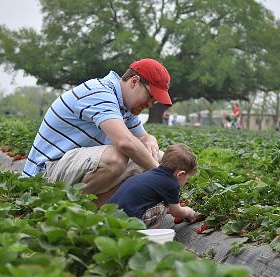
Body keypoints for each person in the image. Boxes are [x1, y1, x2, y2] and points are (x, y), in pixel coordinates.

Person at [22, 58, 172, 204]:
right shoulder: (99, 92)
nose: (151, 104)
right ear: (134, 81)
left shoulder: (125, 107)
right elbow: (125, 142)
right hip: (42, 177)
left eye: (154, 101)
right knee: (117, 158)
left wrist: (149, 139)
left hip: (65, 173)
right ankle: (64, 212)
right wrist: (161, 179)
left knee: (156, 156)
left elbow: (142, 138)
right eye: (150, 96)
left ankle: (95, 215)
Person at [108, 143, 199, 228]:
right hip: (129, 221)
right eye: (187, 179)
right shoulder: (171, 183)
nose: (186, 182)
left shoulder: (150, 173)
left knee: (164, 204)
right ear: (180, 174)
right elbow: (176, 212)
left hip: (110, 215)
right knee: (163, 207)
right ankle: (146, 234)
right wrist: (188, 211)